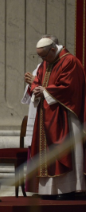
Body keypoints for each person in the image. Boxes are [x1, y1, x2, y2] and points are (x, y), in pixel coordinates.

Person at [30, 37, 86, 200]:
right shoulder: (47, 62)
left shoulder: (70, 62)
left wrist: (45, 91)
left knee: (66, 150)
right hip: (46, 115)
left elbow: (70, 87)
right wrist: (35, 89)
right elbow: (37, 81)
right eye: (40, 57)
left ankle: (67, 189)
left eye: (44, 56)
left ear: (53, 50)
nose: (42, 61)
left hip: (65, 116)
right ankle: (48, 191)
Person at [22, 35, 59, 192]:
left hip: (52, 116)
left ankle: (47, 189)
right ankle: (38, 188)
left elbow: (55, 90)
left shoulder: (61, 65)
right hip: (38, 112)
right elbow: (34, 93)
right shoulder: (40, 66)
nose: (43, 58)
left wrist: (34, 82)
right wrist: (31, 85)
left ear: (53, 49)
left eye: (44, 54)